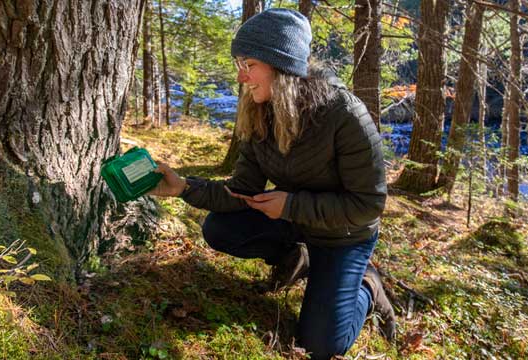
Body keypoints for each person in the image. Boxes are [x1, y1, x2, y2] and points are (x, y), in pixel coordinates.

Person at [148, 8, 396, 359]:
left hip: (344, 236)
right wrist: (184, 187)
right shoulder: (258, 112)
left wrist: (292, 206)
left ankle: (368, 287)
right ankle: (299, 259)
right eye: (239, 64)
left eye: (249, 64)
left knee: (321, 346)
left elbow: (369, 205)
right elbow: (243, 189)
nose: (241, 77)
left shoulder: (345, 115)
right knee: (219, 229)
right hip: (294, 223)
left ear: (282, 65)